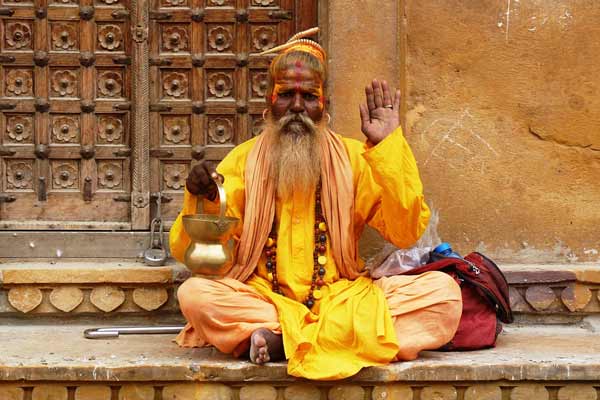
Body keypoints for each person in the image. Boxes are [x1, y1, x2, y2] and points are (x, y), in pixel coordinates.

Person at [169, 28, 462, 380]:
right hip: (266, 299)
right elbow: (204, 261)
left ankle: (282, 342)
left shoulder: (355, 158)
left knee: (444, 297)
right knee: (196, 295)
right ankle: (324, 339)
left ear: (324, 103)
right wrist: (204, 200)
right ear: (269, 102)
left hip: (343, 298)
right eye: (286, 95)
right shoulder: (241, 162)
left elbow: (405, 232)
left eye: (308, 96)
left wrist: (387, 149)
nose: (296, 107)